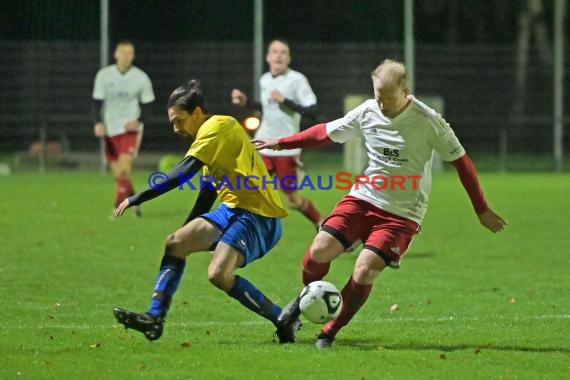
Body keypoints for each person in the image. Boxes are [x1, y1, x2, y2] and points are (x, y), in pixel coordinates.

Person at [253, 59, 507, 349]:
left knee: (364, 270)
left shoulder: (428, 121)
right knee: (318, 251)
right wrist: (281, 143)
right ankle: (302, 303)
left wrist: (481, 208)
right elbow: (325, 133)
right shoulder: (367, 111)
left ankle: (328, 332)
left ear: (405, 90)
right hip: (363, 198)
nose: (382, 104)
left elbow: (462, 163)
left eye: (389, 97)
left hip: (402, 213)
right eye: (378, 96)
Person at [112, 80, 300, 343]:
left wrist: (138, 197)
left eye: (179, 120)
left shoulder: (216, 127)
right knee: (176, 243)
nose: (176, 128)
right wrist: (187, 228)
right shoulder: (207, 137)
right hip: (232, 210)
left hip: (258, 214)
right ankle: (154, 318)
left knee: (218, 275)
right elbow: (208, 193)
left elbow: (181, 173)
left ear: (197, 113)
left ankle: (283, 318)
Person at [231, 39, 323, 228]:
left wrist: (285, 100)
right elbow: (267, 108)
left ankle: (321, 222)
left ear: (289, 58)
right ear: (268, 57)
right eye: (275, 51)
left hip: (285, 148)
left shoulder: (297, 80)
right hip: (262, 145)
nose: (279, 55)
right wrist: (246, 103)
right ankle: (236, 236)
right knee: (249, 191)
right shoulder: (264, 79)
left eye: (283, 52)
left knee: (292, 200)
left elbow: (313, 113)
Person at [92, 40, 155, 217]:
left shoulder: (141, 78)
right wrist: (98, 122)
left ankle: (117, 207)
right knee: (119, 174)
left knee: (124, 168)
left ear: (133, 56)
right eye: (123, 52)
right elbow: (97, 103)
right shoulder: (104, 76)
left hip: (131, 130)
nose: (126, 56)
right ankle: (135, 200)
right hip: (110, 128)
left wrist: (139, 120)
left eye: (130, 53)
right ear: (116, 54)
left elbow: (148, 106)